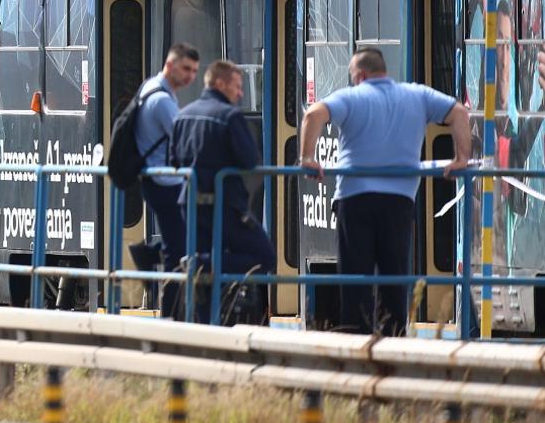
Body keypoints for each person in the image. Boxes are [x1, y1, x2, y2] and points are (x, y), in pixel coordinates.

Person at [300, 46, 471, 336]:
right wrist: (461, 158)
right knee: (395, 278)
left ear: (361, 75)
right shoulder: (416, 94)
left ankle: (357, 339)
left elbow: (313, 115)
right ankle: (393, 339)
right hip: (399, 202)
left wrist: (307, 158)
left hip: (354, 199)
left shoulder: (351, 97)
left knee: (356, 278)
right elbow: (459, 113)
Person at [168, 60, 276, 322]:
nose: (241, 93)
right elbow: (250, 161)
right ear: (220, 84)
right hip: (225, 205)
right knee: (264, 257)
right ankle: (202, 263)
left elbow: (172, 160)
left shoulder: (183, 114)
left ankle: (207, 328)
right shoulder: (230, 116)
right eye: (237, 86)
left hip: (190, 204)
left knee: (205, 282)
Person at [137, 44, 201, 275]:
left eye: (194, 71)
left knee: (179, 243)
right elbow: (184, 139)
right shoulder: (162, 100)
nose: (190, 77)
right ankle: (171, 309)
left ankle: (149, 254)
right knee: (179, 249)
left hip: (159, 180)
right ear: (170, 65)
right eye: (186, 69)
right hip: (165, 182)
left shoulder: (151, 88)